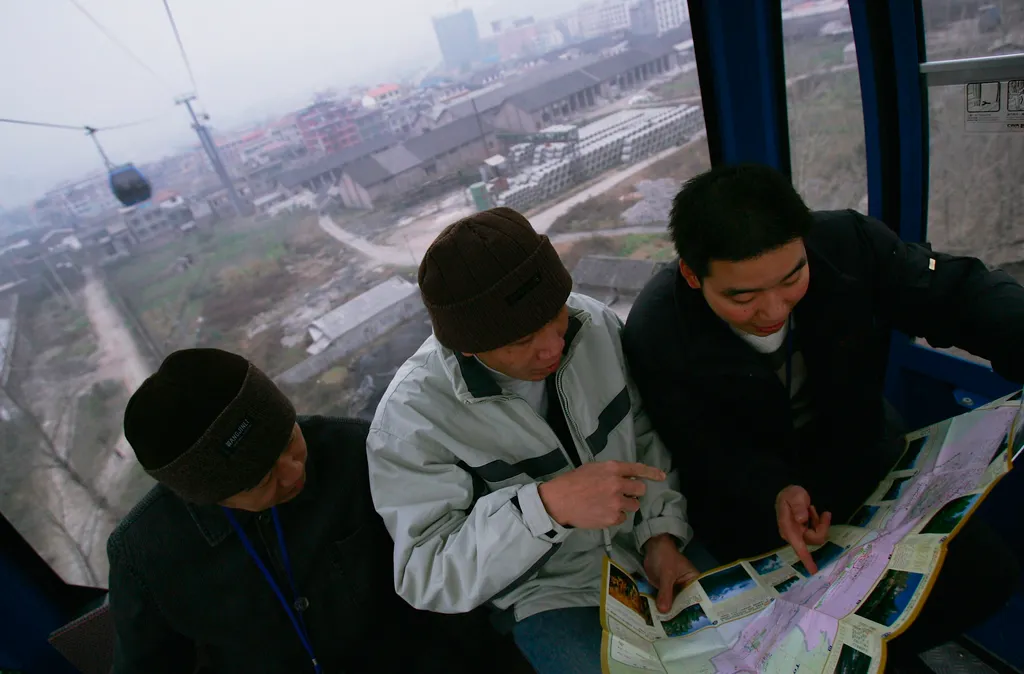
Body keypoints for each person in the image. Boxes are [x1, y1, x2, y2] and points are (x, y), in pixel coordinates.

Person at [622, 163, 1021, 663]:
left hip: (861, 450)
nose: (773, 310)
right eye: (742, 296)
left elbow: (959, 294)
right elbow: (705, 446)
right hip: (753, 502)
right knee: (818, 640)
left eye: (792, 279)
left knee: (986, 577)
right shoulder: (659, 330)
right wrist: (774, 491)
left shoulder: (847, 245)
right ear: (691, 274)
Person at [366, 207, 703, 674]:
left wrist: (660, 534)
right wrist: (544, 509)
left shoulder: (595, 324)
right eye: (522, 340)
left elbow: (643, 429)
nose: (553, 346)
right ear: (467, 345)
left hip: (643, 549)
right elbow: (428, 574)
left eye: (555, 314)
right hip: (548, 594)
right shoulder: (411, 421)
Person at [107, 347, 516, 674]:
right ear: (204, 496)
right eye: (259, 479)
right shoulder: (145, 556)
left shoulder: (360, 452)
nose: (293, 471)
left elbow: (453, 577)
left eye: (287, 439)